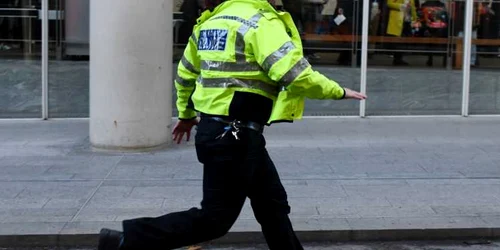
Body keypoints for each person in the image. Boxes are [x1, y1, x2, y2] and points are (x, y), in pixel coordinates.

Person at [97, 0, 366, 249]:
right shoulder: (260, 22)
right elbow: (294, 74)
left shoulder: (210, 23)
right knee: (214, 220)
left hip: (225, 131)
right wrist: (337, 91)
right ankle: (126, 240)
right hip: (236, 134)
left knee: (272, 203)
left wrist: (187, 114)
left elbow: (184, 75)